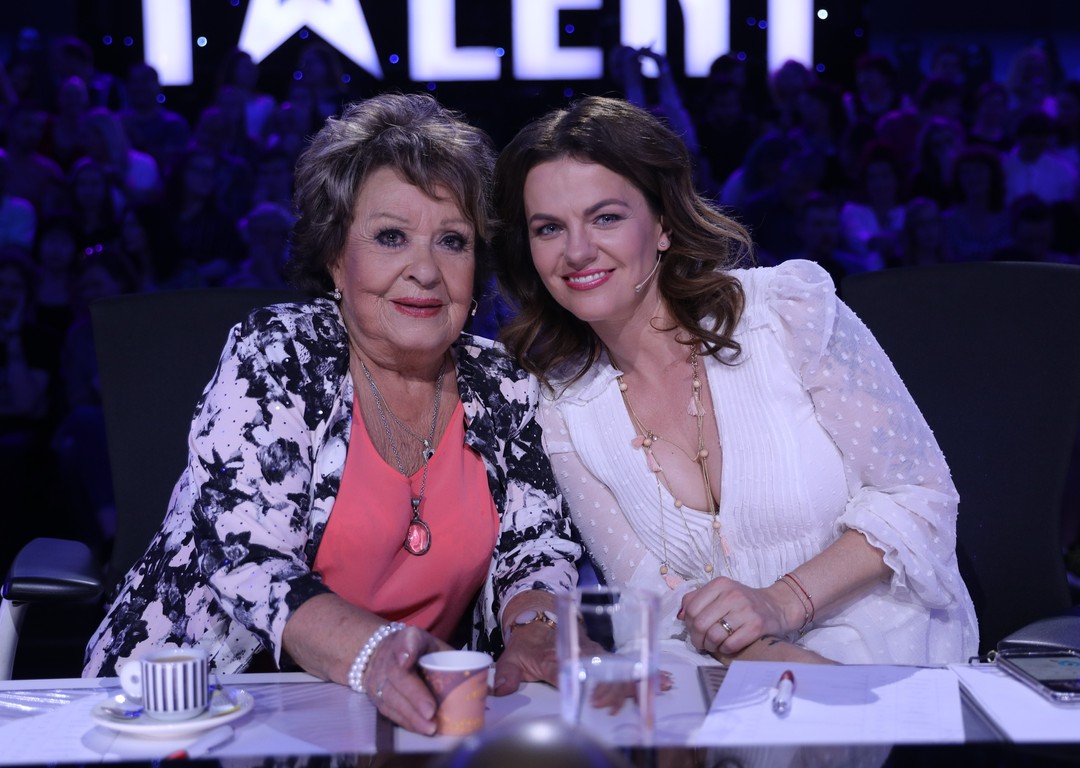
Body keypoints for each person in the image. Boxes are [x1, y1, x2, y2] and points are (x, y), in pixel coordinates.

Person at [82, 93, 581, 735]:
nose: (425, 270)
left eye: (452, 241)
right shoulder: (280, 353)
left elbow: (534, 547)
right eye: (391, 237)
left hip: (410, 717)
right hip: (195, 712)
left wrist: (537, 625)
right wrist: (373, 654)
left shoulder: (505, 384)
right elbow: (246, 555)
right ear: (336, 258)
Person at [492, 95, 979, 668]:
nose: (576, 251)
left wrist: (783, 601)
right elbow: (647, 596)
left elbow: (920, 498)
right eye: (549, 228)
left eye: (606, 218)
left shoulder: (787, 314)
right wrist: (774, 658)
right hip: (721, 671)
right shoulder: (561, 403)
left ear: (663, 224)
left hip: (886, 652)